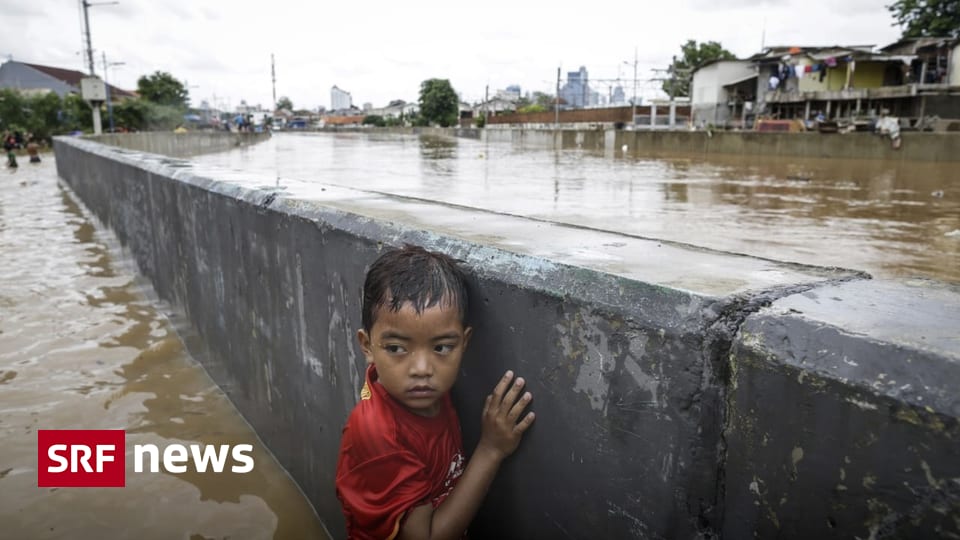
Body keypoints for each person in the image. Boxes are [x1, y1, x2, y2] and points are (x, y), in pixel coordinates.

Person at [336, 245, 536, 540]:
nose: (421, 368)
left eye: (441, 347)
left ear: (463, 343)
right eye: (396, 349)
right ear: (367, 346)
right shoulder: (380, 433)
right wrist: (491, 450)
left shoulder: (421, 392)